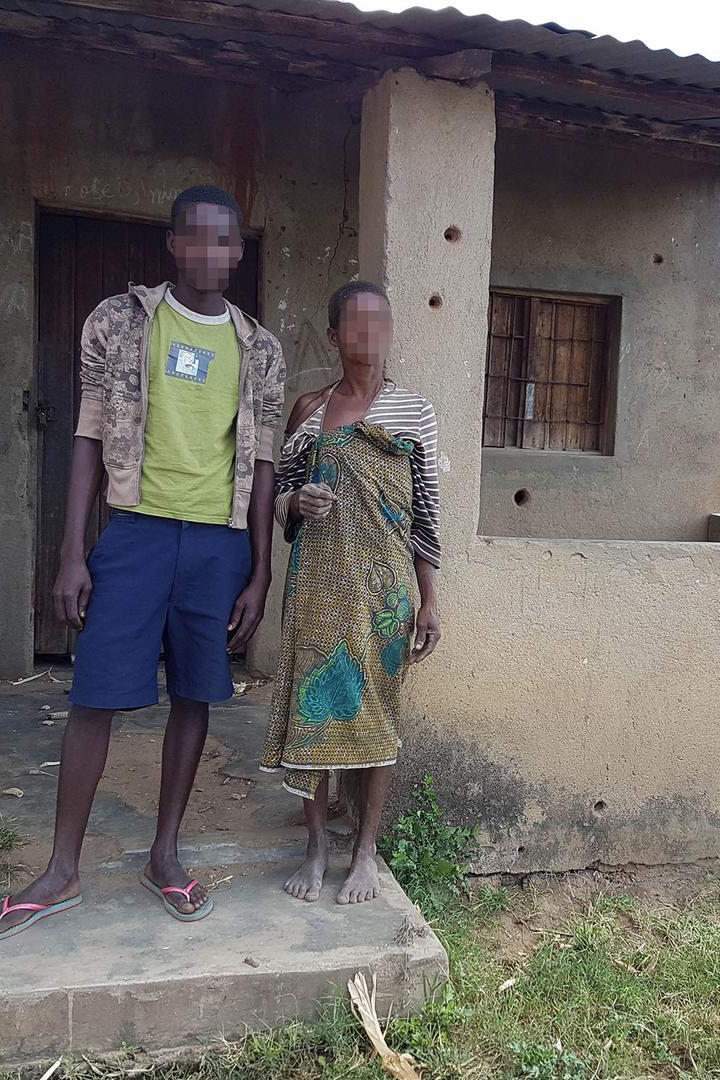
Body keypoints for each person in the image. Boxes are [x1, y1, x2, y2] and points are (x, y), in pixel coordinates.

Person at [0, 186, 285, 941]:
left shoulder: (261, 349)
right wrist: (72, 550)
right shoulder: (119, 323)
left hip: (217, 544)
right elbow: (86, 435)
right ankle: (62, 869)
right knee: (95, 695)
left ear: (240, 252)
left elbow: (267, 462)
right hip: (137, 533)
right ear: (174, 244)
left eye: (228, 241)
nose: (214, 253)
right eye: (199, 239)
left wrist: (260, 568)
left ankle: (166, 856)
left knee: (196, 695)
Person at [261, 280, 441, 906]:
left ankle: (365, 851)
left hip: (385, 592)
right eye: (357, 324)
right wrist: (295, 501)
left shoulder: (414, 412)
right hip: (317, 588)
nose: (371, 334)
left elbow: (426, 513)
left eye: (381, 322)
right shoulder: (309, 409)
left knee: (377, 718)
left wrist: (430, 599)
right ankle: (316, 847)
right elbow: (277, 495)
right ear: (335, 336)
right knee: (314, 710)